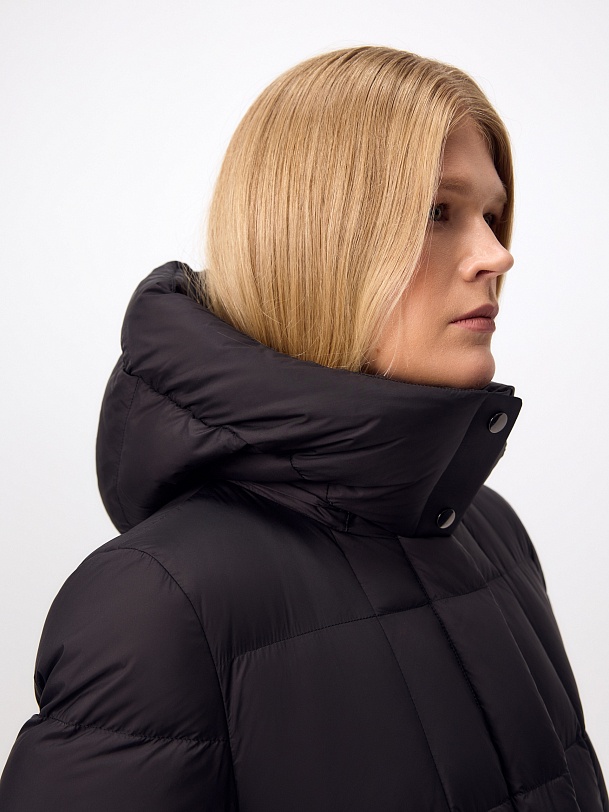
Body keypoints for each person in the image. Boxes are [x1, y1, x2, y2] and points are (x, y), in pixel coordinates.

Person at [0, 45, 606, 812]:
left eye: (490, 214)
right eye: (437, 212)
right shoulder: (159, 604)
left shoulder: (491, 534)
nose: (496, 254)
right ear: (319, 242)